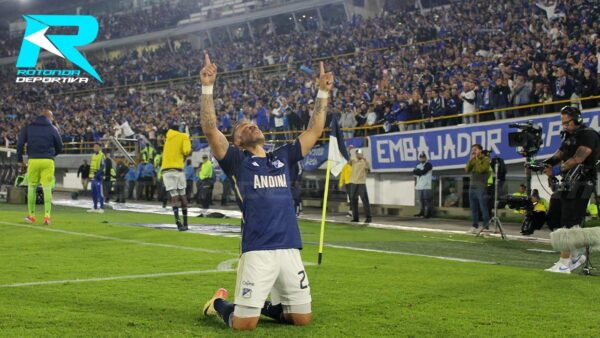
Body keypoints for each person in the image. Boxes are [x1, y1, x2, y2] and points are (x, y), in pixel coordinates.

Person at [201, 54, 332, 331]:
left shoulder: (282, 156)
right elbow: (210, 130)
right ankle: (218, 304)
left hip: (289, 246)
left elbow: (315, 129)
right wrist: (207, 88)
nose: (251, 125)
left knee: (301, 319)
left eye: (254, 123)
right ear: (237, 141)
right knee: (243, 325)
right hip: (258, 248)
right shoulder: (237, 161)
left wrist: (322, 91)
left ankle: (265, 307)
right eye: (243, 127)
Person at [543, 106, 599, 273]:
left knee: (569, 221)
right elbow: (558, 155)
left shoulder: (588, 134)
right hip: (567, 182)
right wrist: (544, 164)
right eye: (563, 123)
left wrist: (556, 170)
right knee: (554, 217)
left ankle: (564, 263)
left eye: (567, 122)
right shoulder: (569, 136)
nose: (564, 126)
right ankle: (574, 255)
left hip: (582, 182)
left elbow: (578, 158)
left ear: (577, 119)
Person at [16, 109, 63, 225]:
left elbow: (20, 144)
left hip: (33, 160)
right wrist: (52, 155)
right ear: (49, 117)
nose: (53, 120)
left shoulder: (28, 127)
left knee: (32, 187)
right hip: (48, 161)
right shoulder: (53, 128)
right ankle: (47, 217)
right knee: (47, 187)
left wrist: (20, 160)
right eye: (52, 118)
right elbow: (60, 146)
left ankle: (31, 216)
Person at [161, 124, 192, 231]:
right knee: (182, 196)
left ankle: (178, 223)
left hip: (166, 171)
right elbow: (186, 151)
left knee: (174, 196)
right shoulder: (183, 136)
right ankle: (186, 223)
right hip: (178, 170)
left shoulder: (167, 139)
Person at [465, 144, 490, 233]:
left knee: (483, 207)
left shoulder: (486, 159)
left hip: (481, 186)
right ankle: (474, 226)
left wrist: (475, 159)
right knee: (473, 208)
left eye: (475, 149)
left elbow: (481, 170)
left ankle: (485, 227)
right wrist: (470, 160)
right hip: (472, 186)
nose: (473, 151)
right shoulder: (473, 159)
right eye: (473, 150)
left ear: (480, 150)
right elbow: (467, 170)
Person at [348, 148, 372, 223]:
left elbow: (368, 169)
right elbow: (347, 159)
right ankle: (355, 218)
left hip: (361, 183)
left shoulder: (365, 161)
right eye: (358, 154)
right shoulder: (353, 160)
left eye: (361, 154)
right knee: (353, 200)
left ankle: (368, 217)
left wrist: (365, 161)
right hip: (353, 182)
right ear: (356, 154)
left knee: (365, 200)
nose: (359, 155)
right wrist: (348, 150)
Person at [413, 152, 433, 218]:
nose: (422, 159)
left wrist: (419, 172)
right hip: (419, 185)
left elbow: (424, 172)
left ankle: (429, 213)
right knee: (421, 200)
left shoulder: (428, 164)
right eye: (421, 158)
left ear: (426, 158)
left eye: (423, 157)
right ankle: (422, 212)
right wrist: (419, 172)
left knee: (427, 200)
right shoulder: (418, 165)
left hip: (426, 185)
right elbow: (414, 173)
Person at [88, 143, 105, 213]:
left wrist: (97, 174)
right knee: (94, 193)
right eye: (94, 147)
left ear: (100, 147)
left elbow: (103, 166)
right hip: (93, 177)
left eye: (97, 147)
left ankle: (101, 208)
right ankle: (95, 207)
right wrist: (90, 175)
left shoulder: (102, 155)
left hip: (98, 177)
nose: (95, 148)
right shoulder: (93, 156)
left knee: (100, 193)